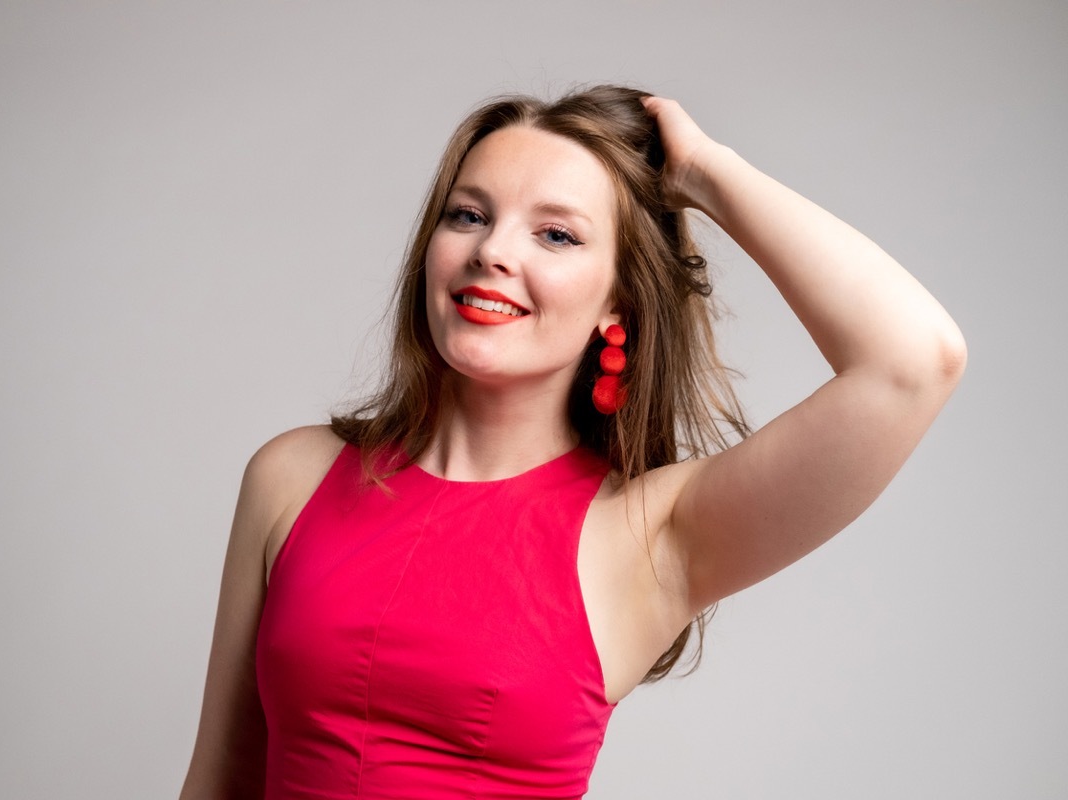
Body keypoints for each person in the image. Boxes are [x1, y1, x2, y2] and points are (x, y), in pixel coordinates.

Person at [179, 85, 966, 799]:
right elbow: (220, 781)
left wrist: (706, 172)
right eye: (468, 215)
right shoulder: (291, 477)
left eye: (555, 235)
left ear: (617, 300)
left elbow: (913, 361)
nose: (494, 250)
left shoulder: (652, 533)